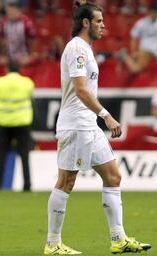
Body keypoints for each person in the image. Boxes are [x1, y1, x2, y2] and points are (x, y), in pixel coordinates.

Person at [44, 2, 152, 255]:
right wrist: (107, 116)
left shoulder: (86, 48)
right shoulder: (77, 49)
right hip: (76, 125)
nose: (104, 25)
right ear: (86, 23)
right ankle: (52, 243)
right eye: (99, 21)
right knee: (66, 181)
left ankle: (118, 238)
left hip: (88, 126)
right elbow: (81, 90)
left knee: (113, 176)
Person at [0, 61, 34, 191]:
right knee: (24, 154)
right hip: (22, 122)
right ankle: (27, 185)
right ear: (20, 68)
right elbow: (31, 97)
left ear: (6, 68)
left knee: (1, 154)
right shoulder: (27, 82)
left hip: (3, 122)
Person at [117, 2, 157, 74]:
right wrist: (134, 51)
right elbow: (134, 38)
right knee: (135, 69)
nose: (154, 14)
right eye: (152, 12)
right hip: (146, 49)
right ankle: (124, 56)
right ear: (149, 12)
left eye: (155, 12)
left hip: (154, 50)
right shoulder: (141, 23)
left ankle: (125, 56)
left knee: (135, 68)